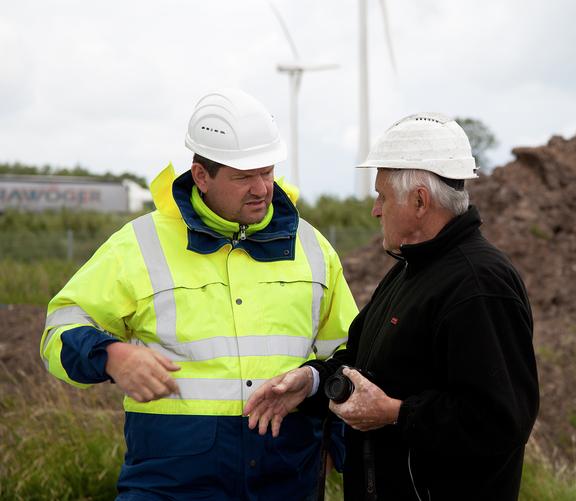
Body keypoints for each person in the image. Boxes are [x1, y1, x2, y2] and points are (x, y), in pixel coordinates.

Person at [40, 88, 358, 500]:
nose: (262, 188)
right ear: (202, 176)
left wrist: (330, 428)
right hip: (169, 486)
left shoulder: (313, 248)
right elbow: (58, 329)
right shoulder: (138, 244)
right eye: (244, 177)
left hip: (286, 482)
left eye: (267, 172)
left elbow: (351, 355)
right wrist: (111, 356)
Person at [244, 113, 540, 500]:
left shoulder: (480, 285)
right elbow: (363, 363)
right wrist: (312, 382)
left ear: (419, 201)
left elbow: (501, 420)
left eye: (382, 196)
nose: (375, 210)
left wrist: (396, 413)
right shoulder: (409, 272)